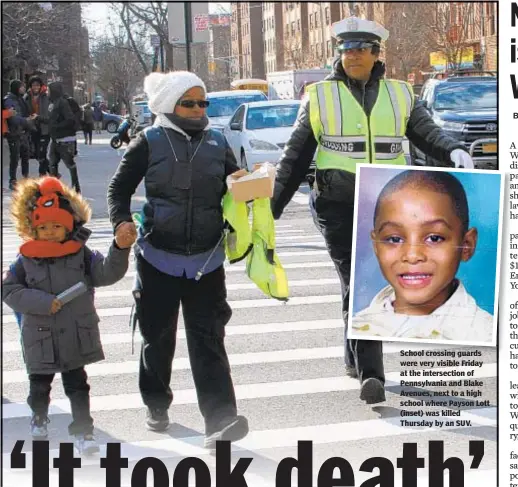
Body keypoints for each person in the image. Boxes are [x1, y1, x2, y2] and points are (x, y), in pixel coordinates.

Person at [270, 17, 475, 405]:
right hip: (337, 203)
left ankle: (355, 356)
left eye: (361, 49)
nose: (353, 56)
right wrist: (273, 210)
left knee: (359, 283)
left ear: (377, 54)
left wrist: (453, 150)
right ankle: (373, 375)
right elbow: (295, 156)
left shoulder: (400, 94)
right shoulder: (320, 96)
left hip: (388, 204)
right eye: (346, 49)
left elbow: (426, 133)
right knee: (361, 278)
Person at [107, 71, 249, 449]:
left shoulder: (218, 142)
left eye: (203, 103)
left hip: (207, 260)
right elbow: (118, 189)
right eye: (190, 103)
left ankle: (220, 421)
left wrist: (251, 185)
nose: (198, 109)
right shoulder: (148, 142)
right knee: (158, 339)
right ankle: (156, 403)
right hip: (157, 259)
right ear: (171, 105)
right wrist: (121, 221)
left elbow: (237, 185)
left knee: (209, 342)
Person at [2, 177, 134, 454]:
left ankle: (83, 431)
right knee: (39, 386)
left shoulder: (80, 254)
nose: (50, 232)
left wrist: (120, 248)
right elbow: (9, 290)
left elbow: (106, 272)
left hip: (75, 334)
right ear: (32, 228)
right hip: (40, 337)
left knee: (78, 386)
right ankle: (39, 416)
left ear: (69, 225)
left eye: (56, 226)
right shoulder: (25, 259)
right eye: (43, 227)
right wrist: (42, 302)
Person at [351, 170, 493, 342]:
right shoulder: (358, 327)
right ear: (376, 246)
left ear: (466, 245)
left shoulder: (486, 334)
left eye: (434, 238)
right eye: (394, 239)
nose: (412, 256)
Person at [45, 82, 81, 193]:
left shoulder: (63, 103)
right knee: (52, 164)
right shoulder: (53, 103)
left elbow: (70, 119)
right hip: (55, 139)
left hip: (65, 140)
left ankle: (76, 187)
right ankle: (54, 188)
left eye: (49, 90)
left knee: (69, 164)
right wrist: (39, 119)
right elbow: (51, 120)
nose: (47, 92)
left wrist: (57, 127)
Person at [4, 80, 36, 190]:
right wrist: (26, 120)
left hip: (23, 132)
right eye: (21, 87)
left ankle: (25, 178)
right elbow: (13, 118)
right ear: (16, 88)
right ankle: (12, 180)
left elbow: (24, 112)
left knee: (25, 156)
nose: (23, 89)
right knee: (15, 158)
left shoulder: (20, 99)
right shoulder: (9, 100)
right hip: (14, 133)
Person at [24, 75, 51, 176]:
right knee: (36, 154)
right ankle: (53, 172)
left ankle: (42, 174)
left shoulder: (46, 96)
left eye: (38, 85)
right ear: (30, 86)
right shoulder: (26, 97)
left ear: (40, 86)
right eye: (33, 85)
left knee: (42, 152)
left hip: (45, 128)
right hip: (33, 128)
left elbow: (49, 114)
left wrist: (39, 117)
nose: (36, 87)